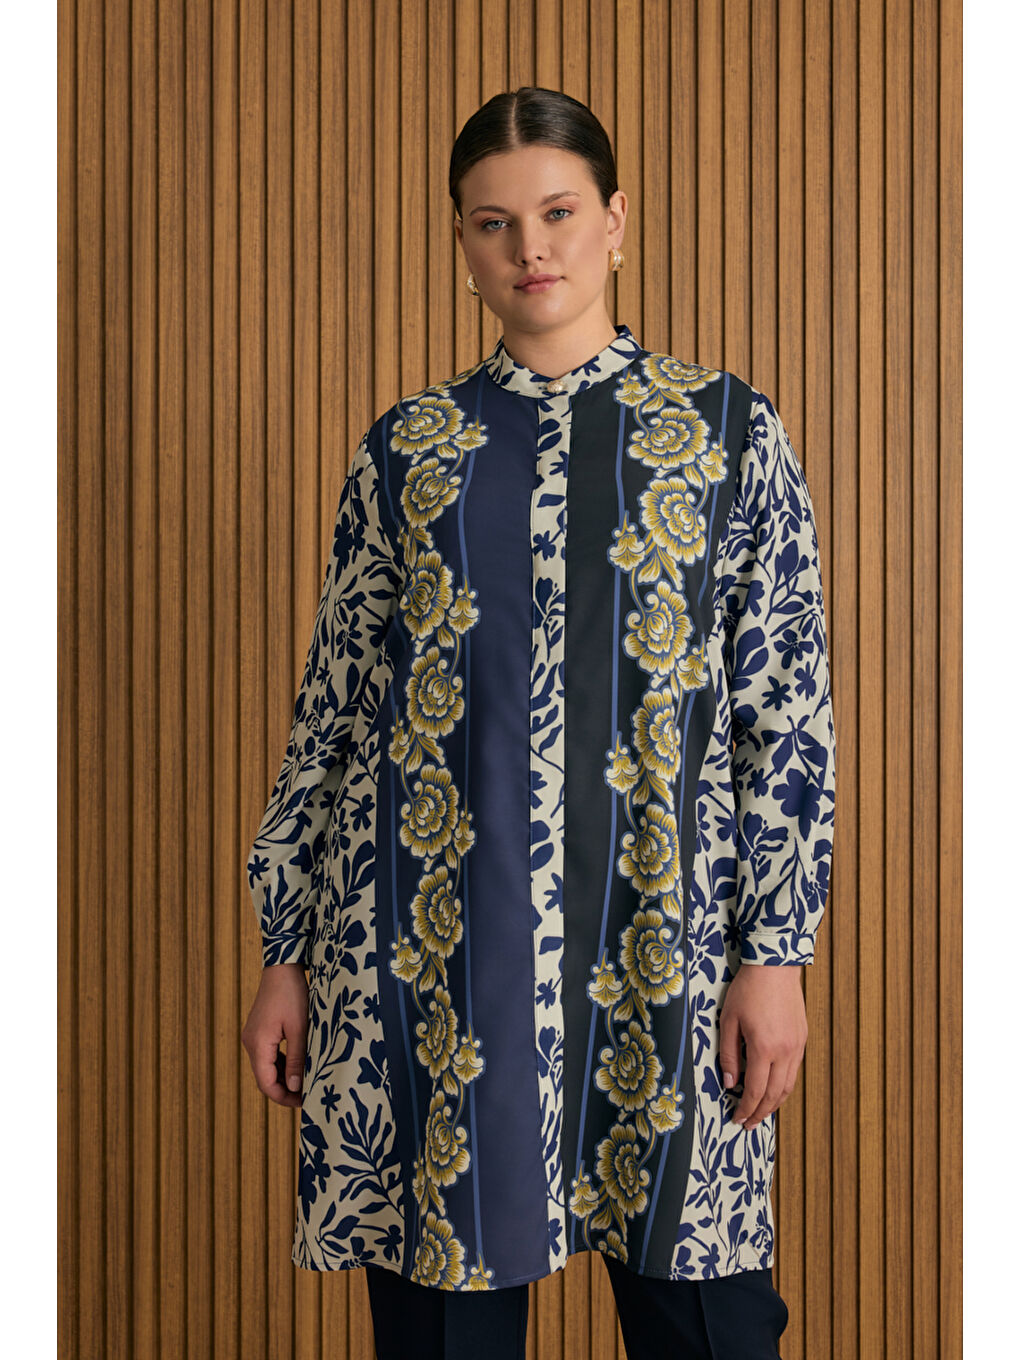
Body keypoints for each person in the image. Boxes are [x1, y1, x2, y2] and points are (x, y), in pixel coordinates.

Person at [241, 86, 835, 1360]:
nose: (531, 249)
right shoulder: (409, 452)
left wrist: (775, 953)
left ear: (616, 220)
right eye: (493, 222)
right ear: (461, 241)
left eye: (558, 213)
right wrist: (286, 950)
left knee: (712, 1329)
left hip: (667, 954)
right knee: (445, 1331)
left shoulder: (728, 435)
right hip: (438, 962)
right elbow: (335, 710)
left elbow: (783, 709)